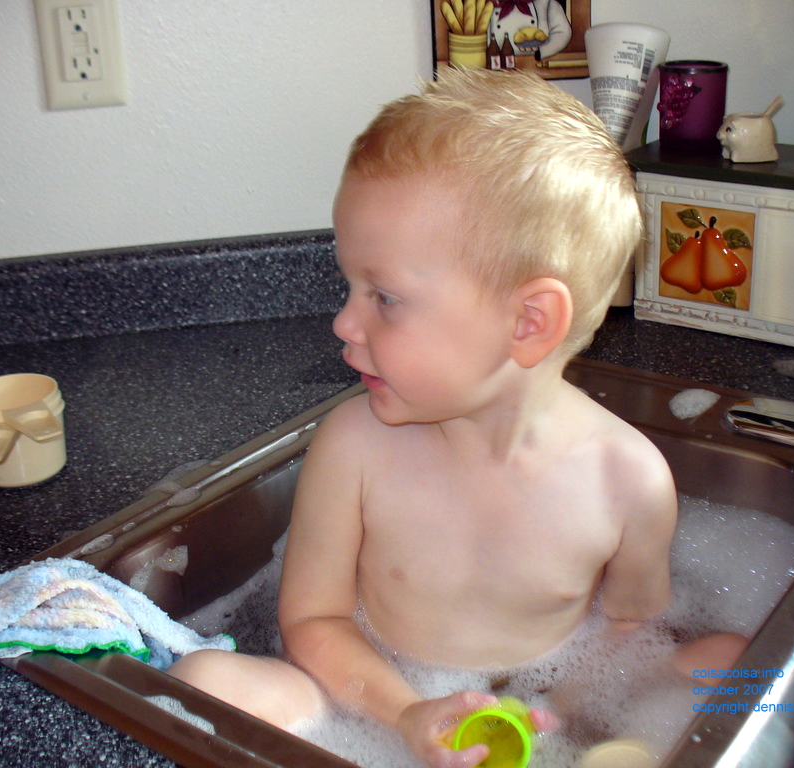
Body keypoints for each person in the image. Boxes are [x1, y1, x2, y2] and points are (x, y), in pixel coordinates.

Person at [170, 68, 685, 768]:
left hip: (537, 729)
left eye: (383, 297)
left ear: (528, 322)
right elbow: (314, 621)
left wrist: (553, 715)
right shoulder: (355, 447)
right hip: (366, 703)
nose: (344, 322)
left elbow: (631, 628)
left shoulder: (630, 483)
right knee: (203, 683)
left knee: (732, 668)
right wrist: (405, 713)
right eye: (349, 285)